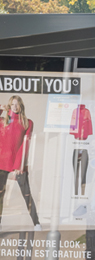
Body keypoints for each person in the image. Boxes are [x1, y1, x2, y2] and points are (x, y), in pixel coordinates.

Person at [0, 96, 41, 230]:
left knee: (26, 194)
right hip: (2, 162)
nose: (15, 107)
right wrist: (1, 110)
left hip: (19, 162)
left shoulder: (27, 122)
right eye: (12, 104)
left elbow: (25, 144)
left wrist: (19, 165)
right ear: (9, 106)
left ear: (21, 106)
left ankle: (36, 223)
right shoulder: (2, 121)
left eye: (17, 104)